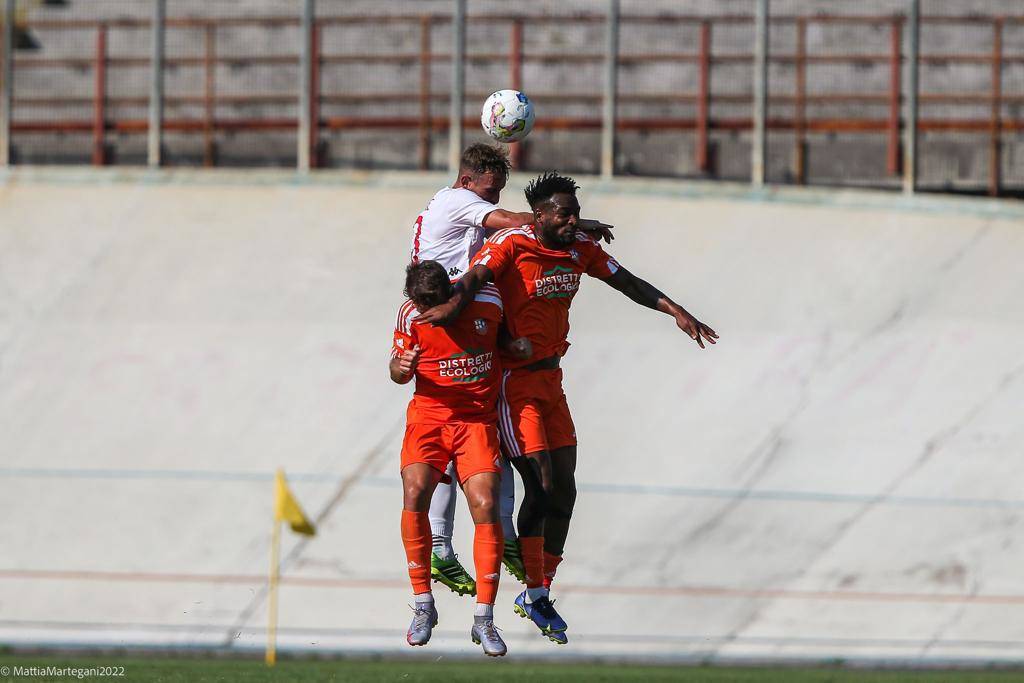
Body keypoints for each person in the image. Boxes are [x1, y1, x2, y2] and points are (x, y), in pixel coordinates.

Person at [418, 171, 717, 644]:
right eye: (563, 213)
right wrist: (451, 308)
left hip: (551, 380)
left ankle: (538, 594)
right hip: (514, 382)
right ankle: (528, 584)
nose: (572, 220)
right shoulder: (513, 244)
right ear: (539, 215)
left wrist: (676, 310)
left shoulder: (579, 248)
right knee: (541, 482)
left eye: (574, 212)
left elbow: (627, 281)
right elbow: (476, 276)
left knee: (566, 492)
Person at [410, 143, 613, 596]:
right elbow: (509, 223)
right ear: (468, 181)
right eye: (490, 190)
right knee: (455, 431)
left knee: (481, 437)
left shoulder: (463, 208)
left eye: (500, 191)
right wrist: (577, 224)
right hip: (445, 311)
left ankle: (493, 544)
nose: (494, 200)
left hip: (463, 310)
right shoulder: (457, 201)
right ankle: (448, 548)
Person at [390, 260, 530, 656]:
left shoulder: (487, 299)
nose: (425, 310)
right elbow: (397, 371)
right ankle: (423, 606)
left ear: (452, 294)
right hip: (430, 416)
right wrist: (400, 369)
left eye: (432, 302)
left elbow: (505, 338)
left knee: (485, 504)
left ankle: (484, 620)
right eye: (419, 302)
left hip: (476, 422)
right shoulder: (409, 315)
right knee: (415, 491)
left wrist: (515, 347)